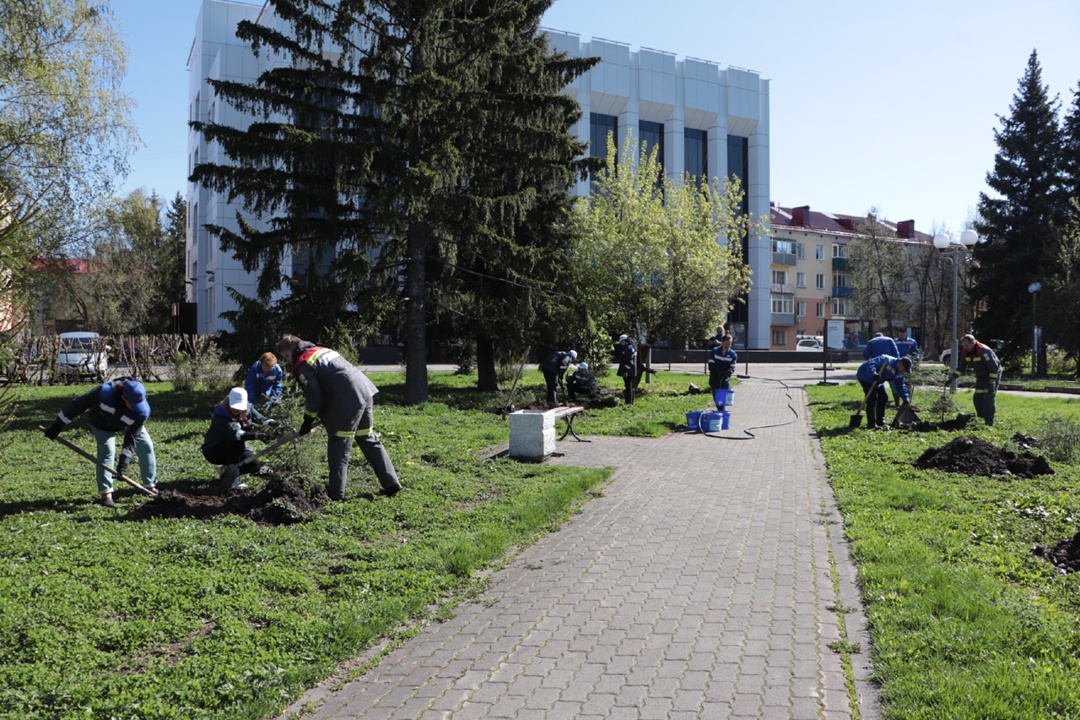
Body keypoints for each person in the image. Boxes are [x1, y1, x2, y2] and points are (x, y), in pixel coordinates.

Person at [276, 334, 401, 500]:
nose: (288, 361)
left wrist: (308, 419)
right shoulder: (321, 350)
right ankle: (391, 483)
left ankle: (336, 496)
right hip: (364, 391)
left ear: (292, 350)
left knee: (339, 447)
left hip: (348, 400)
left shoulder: (303, 362)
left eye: (286, 356)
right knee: (367, 438)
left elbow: (314, 394)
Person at [42, 378, 157, 507]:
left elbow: (132, 437)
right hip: (101, 423)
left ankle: (150, 486)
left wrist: (123, 464)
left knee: (146, 446)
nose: (136, 407)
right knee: (107, 451)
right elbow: (77, 406)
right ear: (124, 397)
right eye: (133, 403)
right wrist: (57, 426)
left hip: (126, 424)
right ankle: (106, 494)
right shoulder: (103, 393)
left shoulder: (142, 411)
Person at [200, 387, 272, 491]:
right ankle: (231, 478)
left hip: (236, 448)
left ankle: (227, 471)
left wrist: (274, 424)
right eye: (234, 406)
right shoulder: (220, 414)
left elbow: (262, 420)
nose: (236, 409)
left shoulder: (249, 408)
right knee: (236, 444)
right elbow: (237, 434)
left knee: (252, 462)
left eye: (239, 407)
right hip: (214, 450)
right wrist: (256, 436)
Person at [956, 333, 1002, 426]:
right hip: (981, 376)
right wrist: (952, 377)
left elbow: (994, 368)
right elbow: (961, 367)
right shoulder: (965, 352)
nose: (965, 347)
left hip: (991, 375)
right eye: (963, 346)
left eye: (966, 345)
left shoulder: (983, 351)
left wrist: (991, 382)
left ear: (972, 342)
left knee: (988, 398)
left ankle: (989, 422)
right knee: (977, 398)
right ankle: (981, 419)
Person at [856, 355, 912, 429]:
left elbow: (900, 386)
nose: (905, 371)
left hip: (878, 380)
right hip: (865, 376)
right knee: (872, 398)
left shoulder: (899, 373)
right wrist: (873, 374)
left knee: (883, 397)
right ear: (900, 364)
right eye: (905, 369)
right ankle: (871, 424)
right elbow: (871, 365)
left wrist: (906, 398)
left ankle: (880, 421)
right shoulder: (886, 360)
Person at [245, 352, 284, 423]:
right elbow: (250, 386)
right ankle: (253, 421)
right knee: (250, 404)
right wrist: (249, 400)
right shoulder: (255, 368)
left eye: (269, 369)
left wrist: (271, 400)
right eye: (265, 368)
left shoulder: (278, 371)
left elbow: (278, 387)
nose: (266, 371)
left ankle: (277, 422)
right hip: (255, 388)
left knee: (277, 403)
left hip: (268, 389)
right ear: (261, 363)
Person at [707, 333, 737, 409]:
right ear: (722, 342)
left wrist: (727, 373)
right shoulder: (715, 351)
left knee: (722, 401)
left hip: (724, 380)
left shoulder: (733, 355)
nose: (728, 345)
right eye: (726, 343)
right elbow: (711, 364)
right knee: (717, 400)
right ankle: (721, 414)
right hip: (714, 379)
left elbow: (732, 367)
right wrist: (717, 371)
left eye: (729, 343)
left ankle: (722, 416)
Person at [616, 334, 638, 405]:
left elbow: (630, 361)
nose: (621, 343)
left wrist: (625, 370)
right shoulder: (630, 348)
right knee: (629, 386)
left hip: (628, 371)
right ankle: (630, 401)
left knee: (628, 386)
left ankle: (628, 402)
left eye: (622, 341)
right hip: (630, 371)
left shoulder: (628, 349)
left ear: (625, 341)